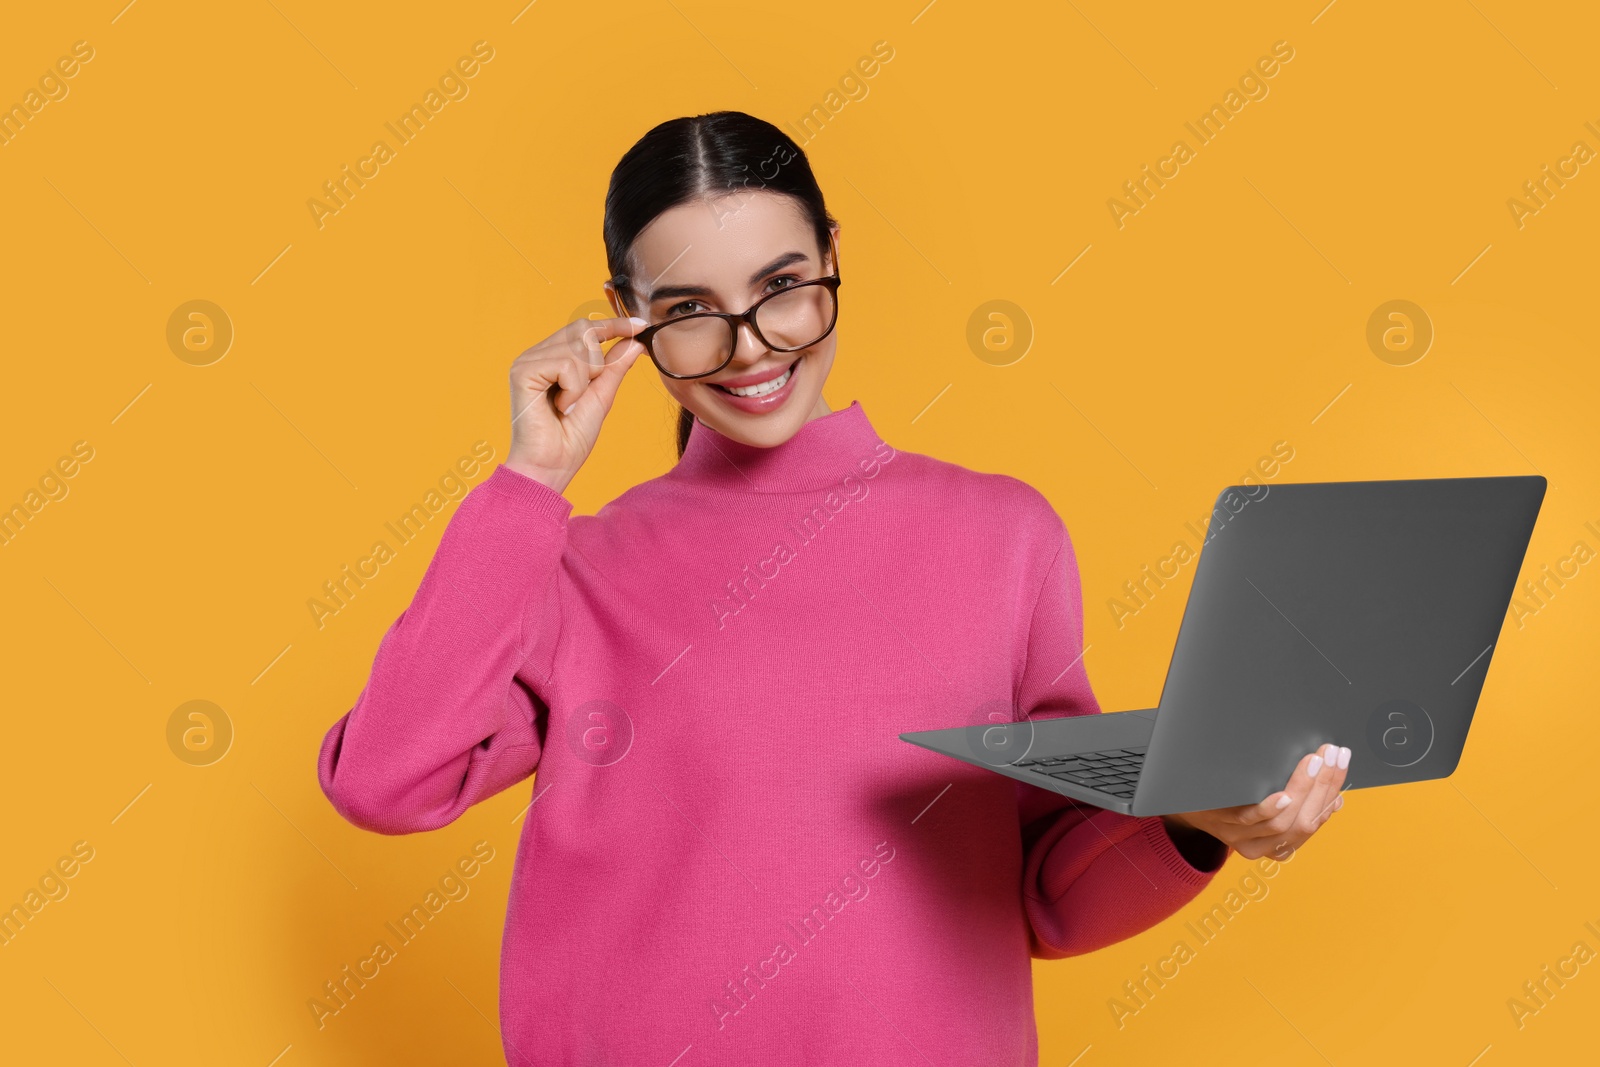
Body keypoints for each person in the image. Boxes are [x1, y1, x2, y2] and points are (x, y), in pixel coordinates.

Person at [316, 110, 1349, 1066]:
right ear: (622, 323)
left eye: (782, 288)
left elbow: (1042, 893)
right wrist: (527, 484)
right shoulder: (572, 561)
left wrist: (1191, 820)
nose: (750, 347)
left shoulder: (1002, 537)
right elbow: (384, 780)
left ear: (832, 259)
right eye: (688, 312)